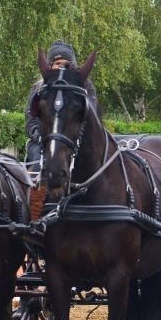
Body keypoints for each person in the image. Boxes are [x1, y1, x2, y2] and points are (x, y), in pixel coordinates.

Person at [24, 40, 97, 219]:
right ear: (50, 65)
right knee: (36, 162)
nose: (61, 68)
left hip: (74, 141)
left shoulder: (85, 87)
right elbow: (30, 121)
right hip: (42, 142)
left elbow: (91, 119)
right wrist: (43, 138)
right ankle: (34, 213)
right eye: (58, 64)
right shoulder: (38, 89)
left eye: (66, 64)